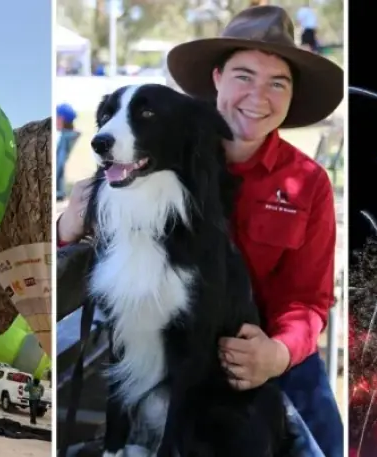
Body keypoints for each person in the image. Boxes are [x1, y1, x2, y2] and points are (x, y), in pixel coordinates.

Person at [57, 6, 343, 457]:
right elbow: (107, 227)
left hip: (269, 352)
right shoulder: (162, 148)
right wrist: (67, 224)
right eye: (244, 76)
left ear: (291, 96)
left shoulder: (308, 183)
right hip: (170, 345)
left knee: (325, 444)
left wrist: (278, 352)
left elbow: (309, 299)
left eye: (278, 83)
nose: (258, 96)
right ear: (217, 78)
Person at [55, 103, 80, 202]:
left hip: (58, 193)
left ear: (62, 119)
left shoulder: (64, 138)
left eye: (57, 117)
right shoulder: (68, 135)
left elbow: (58, 165)